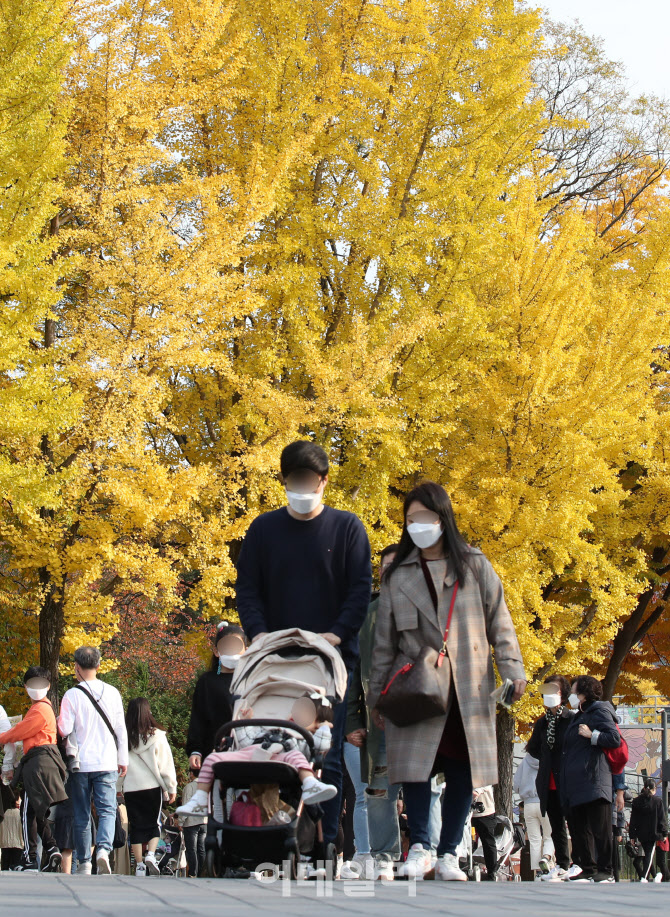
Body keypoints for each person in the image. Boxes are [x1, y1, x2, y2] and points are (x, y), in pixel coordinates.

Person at [367, 481, 526, 882]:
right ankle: (419, 846)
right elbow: (383, 643)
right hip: (415, 683)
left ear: (443, 518)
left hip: (467, 686)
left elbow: (500, 622)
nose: (418, 525)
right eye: (411, 519)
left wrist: (512, 669)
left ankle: (450, 851)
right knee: (414, 768)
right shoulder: (397, 574)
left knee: (462, 769)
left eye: (426, 517)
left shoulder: (475, 565)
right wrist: (376, 698)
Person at [236, 440, 372, 847]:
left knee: (325, 754)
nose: (301, 486)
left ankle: (324, 841)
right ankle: (272, 835)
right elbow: (247, 588)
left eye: (308, 480)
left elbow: (360, 590)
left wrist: (335, 633)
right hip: (274, 662)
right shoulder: (263, 529)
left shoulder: (347, 528)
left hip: (329, 661)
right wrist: (259, 634)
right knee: (267, 748)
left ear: (323, 482)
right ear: (284, 480)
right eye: (294, 479)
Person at [177, 694, 337, 818]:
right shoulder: (272, 725)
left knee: (297, 757)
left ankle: (310, 783)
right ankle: (200, 797)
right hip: (251, 753)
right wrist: (245, 721)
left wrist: (323, 730)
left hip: (282, 758)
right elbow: (246, 740)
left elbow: (318, 749)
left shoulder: (304, 738)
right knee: (212, 758)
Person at [343, 544, 402, 881]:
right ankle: (381, 857)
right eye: (384, 566)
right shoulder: (367, 615)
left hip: (420, 719)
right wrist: (352, 720)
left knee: (431, 789)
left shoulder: (428, 610)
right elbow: (354, 674)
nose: (388, 571)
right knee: (376, 792)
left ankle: (439, 853)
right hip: (377, 721)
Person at [57, 646, 128, 875]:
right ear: (98, 666)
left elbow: (64, 728)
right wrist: (122, 758)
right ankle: (103, 851)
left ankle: (84, 861)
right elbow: (120, 729)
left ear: (76, 667)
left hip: (80, 763)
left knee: (81, 812)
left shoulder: (71, 695)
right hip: (107, 761)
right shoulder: (113, 692)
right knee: (107, 809)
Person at [0, 668, 68, 872]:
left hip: (39, 763)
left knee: (28, 812)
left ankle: (30, 857)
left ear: (47, 686)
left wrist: (2, 738)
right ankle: (52, 849)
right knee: (39, 810)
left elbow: (18, 731)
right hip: (43, 762)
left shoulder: (40, 710)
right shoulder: (43, 708)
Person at [559, 674, 621, 883]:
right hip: (576, 782)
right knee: (579, 828)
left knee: (600, 828)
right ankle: (587, 867)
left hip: (594, 779)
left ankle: (606, 869)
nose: (572, 696)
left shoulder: (600, 711)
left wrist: (592, 735)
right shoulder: (579, 715)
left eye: (575, 691)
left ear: (584, 693)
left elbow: (614, 739)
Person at [121, 698, 177, 877]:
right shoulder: (157, 736)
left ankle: (138, 865)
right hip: (152, 786)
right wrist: (171, 787)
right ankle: (151, 856)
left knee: (136, 827)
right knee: (154, 823)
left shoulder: (124, 737)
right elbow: (166, 764)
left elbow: (119, 765)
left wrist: (117, 787)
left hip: (130, 787)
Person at [525, 675, 573, 880]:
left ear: (563, 694)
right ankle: (562, 863)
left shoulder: (571, 719)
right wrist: (547, 758)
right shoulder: (542, 722)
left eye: (555, 690)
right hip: (548, 781)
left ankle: (579, 863)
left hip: (568, 779)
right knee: (556, 825)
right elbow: (533, 748)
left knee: (575, 823)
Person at [186, 621, 248, 773]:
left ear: (246, 650)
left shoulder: (252, 679)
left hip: (248, 752)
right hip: (214, 752)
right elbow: (198, 719)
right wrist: (195, 750)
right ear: (216, 650)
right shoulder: (207, 682)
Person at [513, 754, 554, 878]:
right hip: (546, 802)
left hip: (529, 804)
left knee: (534, 839)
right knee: (549, 835)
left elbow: (516, 785)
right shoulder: (549, 759)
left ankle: (538, 872)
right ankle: (546, 857)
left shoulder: (525, 761)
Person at [629, 778, 668, 882]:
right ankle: (644, 877)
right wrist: (664, 832)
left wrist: (632, 835)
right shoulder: (657, 801)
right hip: (653, 833)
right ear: (654, 789)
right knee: (649, 856)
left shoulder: (636, 801)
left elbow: (633, 820)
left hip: (641, 833)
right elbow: (661, 818)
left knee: (647, 855)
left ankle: (648, 876)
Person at [179, 766, 207, 877]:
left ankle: (193, 873)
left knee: (191, 849)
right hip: (204, 821)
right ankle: (202, 873)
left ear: (191, 773)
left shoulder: (189, 787)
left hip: (191, 822)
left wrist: (181, 821)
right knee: (201, 849)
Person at [471, 786, 500, 881]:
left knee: (488, 841)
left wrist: (477, 791)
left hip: (485, 810)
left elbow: (488, 781)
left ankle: (492, 872)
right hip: (466, 809)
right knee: (464, 840)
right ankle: (464, 865)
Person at [0, 790, 23, 870]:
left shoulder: (3, 814)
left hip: (5, 844)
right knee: (16, 867)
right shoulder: (20, 814)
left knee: (4, 868)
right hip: (18, 844)